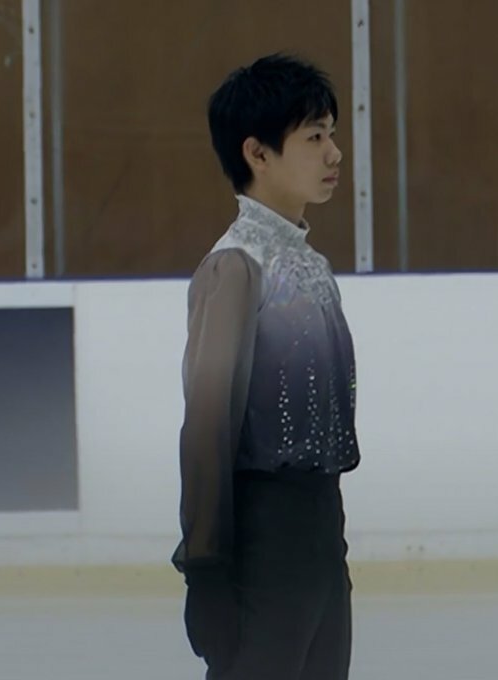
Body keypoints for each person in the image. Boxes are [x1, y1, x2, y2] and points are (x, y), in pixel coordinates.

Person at [172, 52, 361, 680]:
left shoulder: (312, 266)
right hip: (262, 543)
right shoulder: (235, 267)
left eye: (331, 134)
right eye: (314, 137)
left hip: (320, 536)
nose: (334, 152)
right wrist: (206, 568)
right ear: (257, 153)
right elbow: (207, 429)